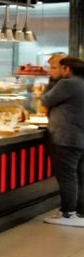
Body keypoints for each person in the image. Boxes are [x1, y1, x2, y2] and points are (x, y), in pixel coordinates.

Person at [41, 56, 84, 227]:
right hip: (79, 136)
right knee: (79, 176)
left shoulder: (67, 84)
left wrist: (51, 81)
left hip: (66, 137)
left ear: (66, 69)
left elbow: (46, 100)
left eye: (55, 67)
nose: (52, 70)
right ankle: (79, 211)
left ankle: (68, 213)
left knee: (67, 176)